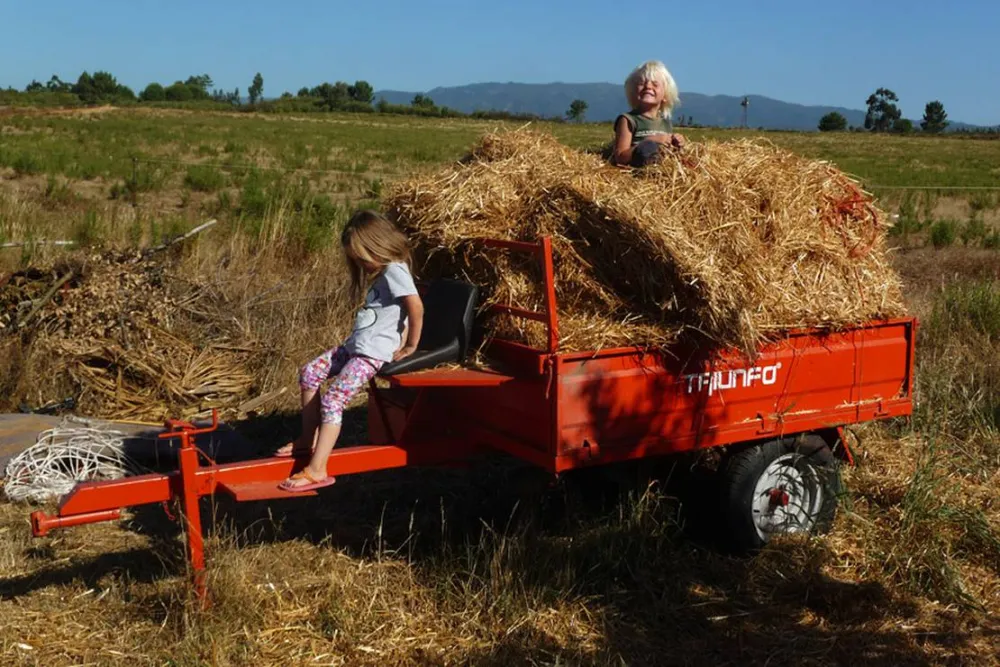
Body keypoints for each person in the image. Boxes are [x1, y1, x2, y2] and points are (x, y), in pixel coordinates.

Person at [276, 209, 424, 492]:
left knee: (334, 399)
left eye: (362, 257)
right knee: (309, 373)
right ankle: (308, 439)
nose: (361, 264)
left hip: (372, 354)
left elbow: (415, 306)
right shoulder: (384, 272)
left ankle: (318, 469)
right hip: (356, 346)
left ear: (376, 245)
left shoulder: (394, 270)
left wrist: (410, 346)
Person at [611, 60, 686, 167]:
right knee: (648, 147)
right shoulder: (628, 120)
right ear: (633, 91)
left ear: (665, 96)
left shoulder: (665, 123)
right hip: (638, 170)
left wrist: (677, 143)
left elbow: (670, 153)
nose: (648, 87)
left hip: (661, 171)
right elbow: (620, 157)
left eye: (655, 84)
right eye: (642, 83)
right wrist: (650, 140)